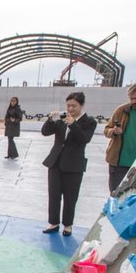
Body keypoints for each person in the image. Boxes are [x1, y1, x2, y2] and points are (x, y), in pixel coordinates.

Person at [40, 92, 97, 236]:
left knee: (70, 197)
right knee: (54, 195)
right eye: (68, 105)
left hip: (74, 165)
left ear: (81, 105)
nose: (70, 109)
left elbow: (84, 139)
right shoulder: (62, 119)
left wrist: (74, 124)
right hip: (56, 162)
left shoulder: (89, 121)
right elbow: (45, 132)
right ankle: (53, 223)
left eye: (74, 106)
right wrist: (50, 120)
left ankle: (68, 225)